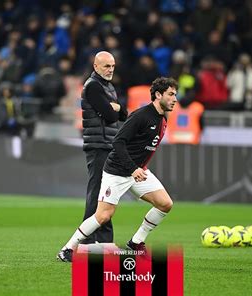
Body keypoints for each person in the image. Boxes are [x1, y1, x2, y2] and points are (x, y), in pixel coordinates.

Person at [57, 77, 178, 262]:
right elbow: (118, 142)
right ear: (158, 95)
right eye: (171, 94)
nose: (174, 99)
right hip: (117, 171)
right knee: (104, 215)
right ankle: (67, 249)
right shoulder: (141, 115)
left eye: (175, 95)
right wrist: (132, 169)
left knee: (165, 203)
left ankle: (136, 243)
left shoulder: (162, 118)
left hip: (138, 171)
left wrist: (137, 169)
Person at [79, 51, 127, 244]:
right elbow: (111, 115)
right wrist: (115, 108)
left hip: (107, 145)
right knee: (98, 192)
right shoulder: (93, 87)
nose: (110, 70)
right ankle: (86, 239)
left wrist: (116, 108)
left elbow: (123, 114)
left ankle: (104, 240)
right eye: (107, 66)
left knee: (105, 194)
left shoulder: (107, 87)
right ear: (96, 67)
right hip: (98, 146)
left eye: (113, 66)